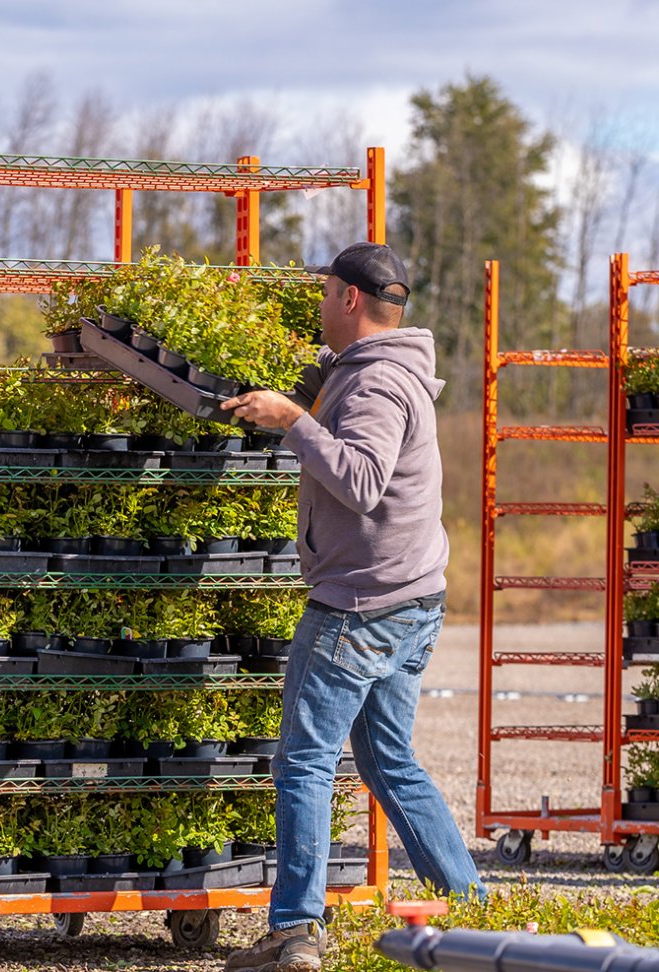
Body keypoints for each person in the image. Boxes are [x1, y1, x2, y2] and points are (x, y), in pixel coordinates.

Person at [219, 242, 485, 972]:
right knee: (387, 758)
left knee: (303, 762)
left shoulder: (372, 387)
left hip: (359, 609)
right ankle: (472, 911)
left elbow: (362, 480)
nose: (317, 303)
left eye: (323, 291)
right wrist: (308, 402)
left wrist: (292, 420)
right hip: (411, 596)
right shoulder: (388, 371)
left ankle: (295, 932)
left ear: (347, 300)